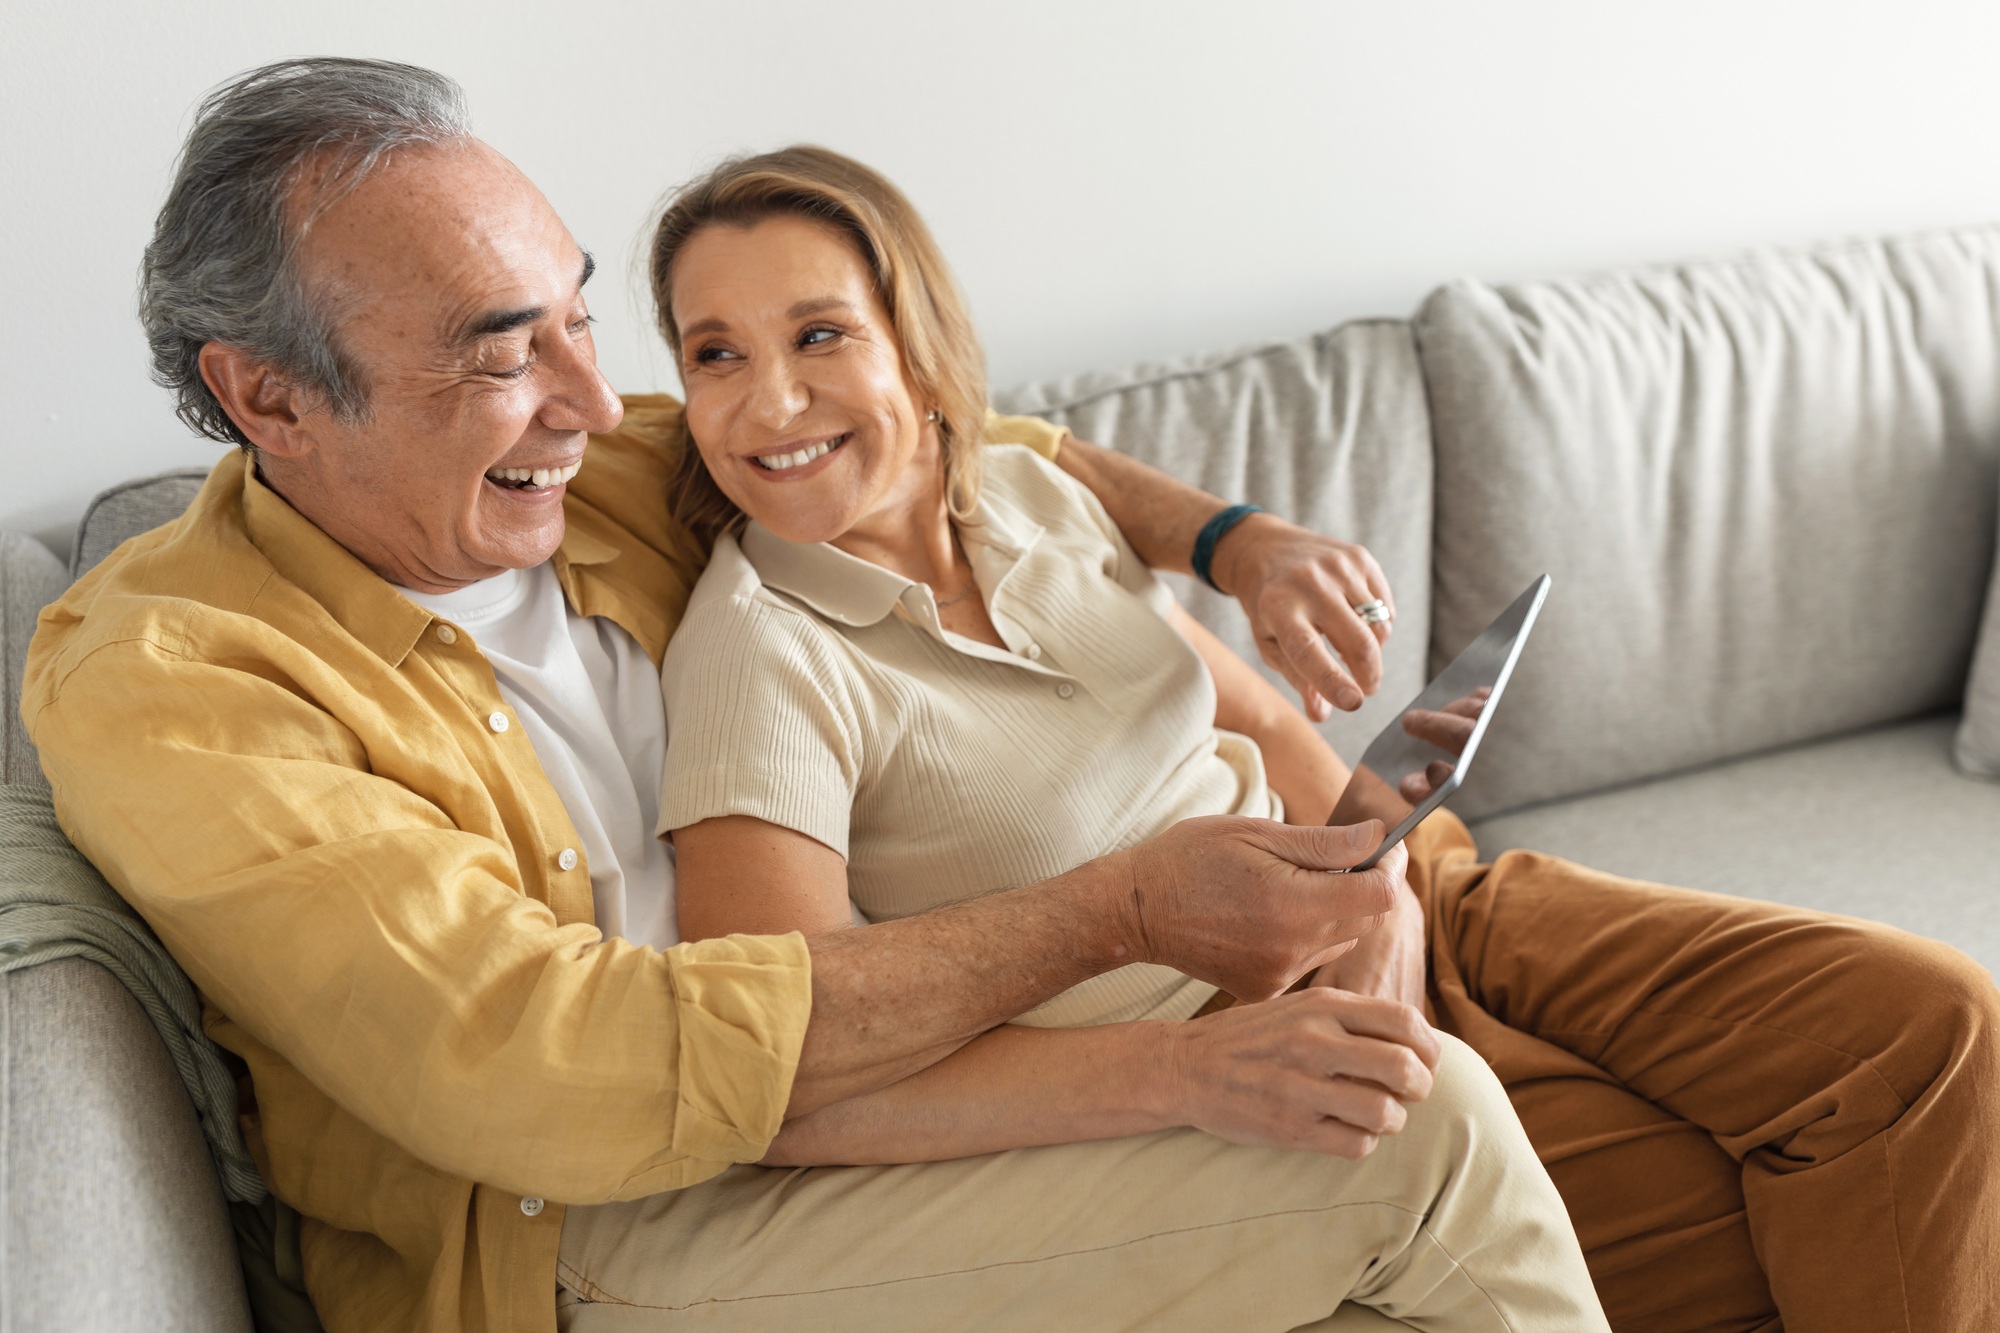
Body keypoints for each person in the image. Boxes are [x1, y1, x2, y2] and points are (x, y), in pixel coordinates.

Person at [21, 55, 1997, 1333]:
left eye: (577, 320)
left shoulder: (606, 466)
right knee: (1427, 1139)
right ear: (264, 397)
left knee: (1880, 1087)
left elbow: (961, 441)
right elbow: (567, 1066)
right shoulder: (178, 681)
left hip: (999, 1047)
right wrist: (1138, 953)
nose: (581, 396)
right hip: (603, 1234)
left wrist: (1225, 539)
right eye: (490, 352)